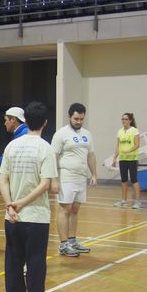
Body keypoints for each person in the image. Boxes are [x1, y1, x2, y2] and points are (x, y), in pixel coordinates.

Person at [0, 101, 57, 292]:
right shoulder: (45, 147)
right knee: (35, 261)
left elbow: (2, 179)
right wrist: (21, 204)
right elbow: (46, 184)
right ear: (44, 123)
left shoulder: (11, 146)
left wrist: (10, 205)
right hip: (36, 217)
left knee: (13, 259)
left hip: (12, 216)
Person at [51, 103, 97, 258]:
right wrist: (54, 180)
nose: (78, 121)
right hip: (66, 177)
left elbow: (90, 155)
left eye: (81, 119)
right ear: (69, 117)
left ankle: (72, 241)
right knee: (65, 209)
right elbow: (53, 157)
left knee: (75, 210)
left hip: (81, 178)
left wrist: (94, 174)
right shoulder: (61, 134)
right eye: (76, 118)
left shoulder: (87, 134)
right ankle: (63, 245)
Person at [112, 112, 141, 209]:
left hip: (132, 159)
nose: (123, 121)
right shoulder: (119, 131)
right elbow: (118, 146)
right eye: (122, 119)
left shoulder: (135, 131)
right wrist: (114, 158)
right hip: (123, 160)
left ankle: (137, 202)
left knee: (134, 180)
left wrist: (128, 151)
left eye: (125, 119)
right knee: (123, 180)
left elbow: (137, 144)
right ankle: (123, 201)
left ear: (130, 120)